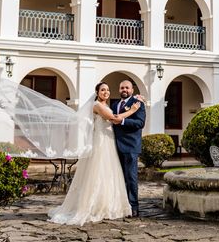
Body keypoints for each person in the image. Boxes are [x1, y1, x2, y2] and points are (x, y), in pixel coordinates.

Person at [48, 82, 140, 225]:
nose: (106, 92)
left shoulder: (108, 105)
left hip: (110, 142)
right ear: (97, 92)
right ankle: (94, 205)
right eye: (103, 90)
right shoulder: (97, 105)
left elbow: (115, 116)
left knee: (109, 174)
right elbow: (113, 119)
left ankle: (109, 203)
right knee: (98, 173)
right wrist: (132, 110)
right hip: (101, 143)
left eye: (108, 90)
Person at [111, 80, 146, 217]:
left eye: (127, 87)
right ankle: (121, 204)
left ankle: (133, 206)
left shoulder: (138, 103)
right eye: (122, 87)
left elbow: (140, 123)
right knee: (119, 177)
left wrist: (123, 121)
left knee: (131, 177)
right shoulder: (114, 105)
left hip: (131, 146)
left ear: (132, 90)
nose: (124, 89)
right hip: (115, 146)